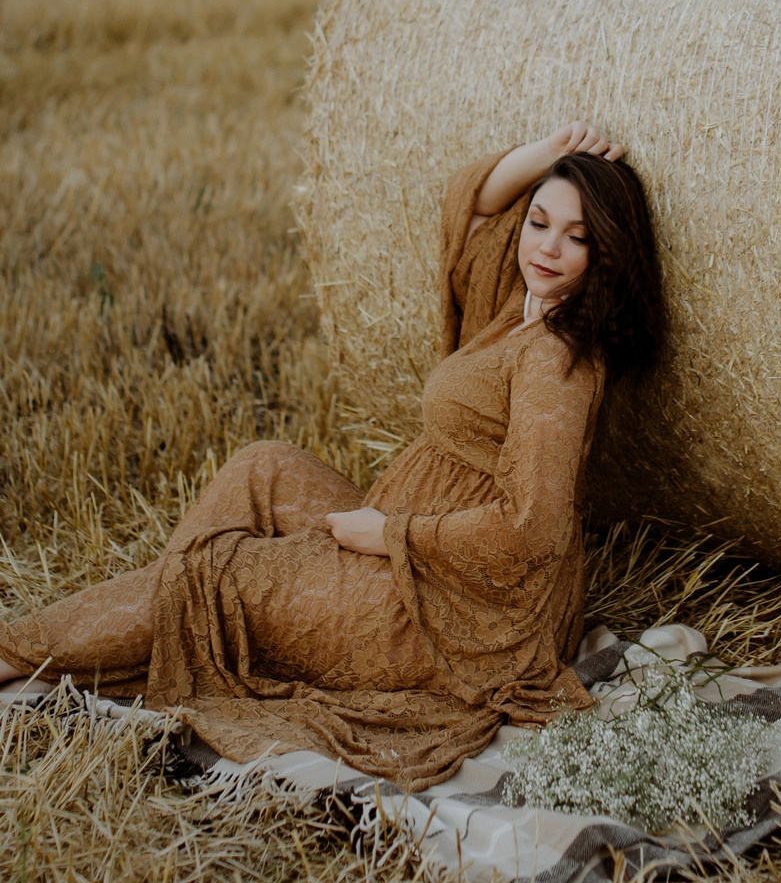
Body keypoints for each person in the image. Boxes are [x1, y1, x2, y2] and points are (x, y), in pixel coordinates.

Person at [0, 123, 664, 790]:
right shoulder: (520, 307)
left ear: (605, 253)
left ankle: (23, 648)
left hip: (451, 611)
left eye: (575, 236)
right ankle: (169, 632)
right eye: (539, 222)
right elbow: (476, 206)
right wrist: (550, 157)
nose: (545, 247)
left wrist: (388, 535)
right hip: (418, 541)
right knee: (263, 467)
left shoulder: (556, 359)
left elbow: (533, 529)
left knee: (216, 575)